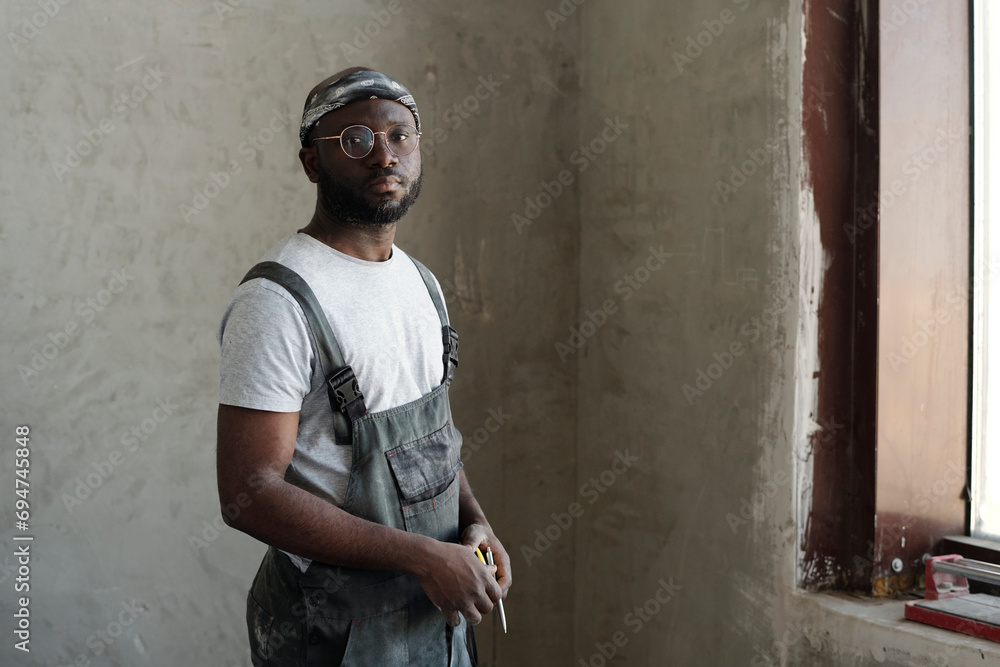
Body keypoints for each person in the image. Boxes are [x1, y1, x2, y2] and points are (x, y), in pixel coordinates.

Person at [215, 66, 511, 666]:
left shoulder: (421, 284)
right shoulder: (277, 302)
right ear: (312, 162)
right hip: (331, 631)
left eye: (400, 136)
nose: (384, 155)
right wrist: (423, 557)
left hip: (437, 615)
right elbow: (248, 494)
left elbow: (432, 442)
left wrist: (473, 522)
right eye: (355, 140)